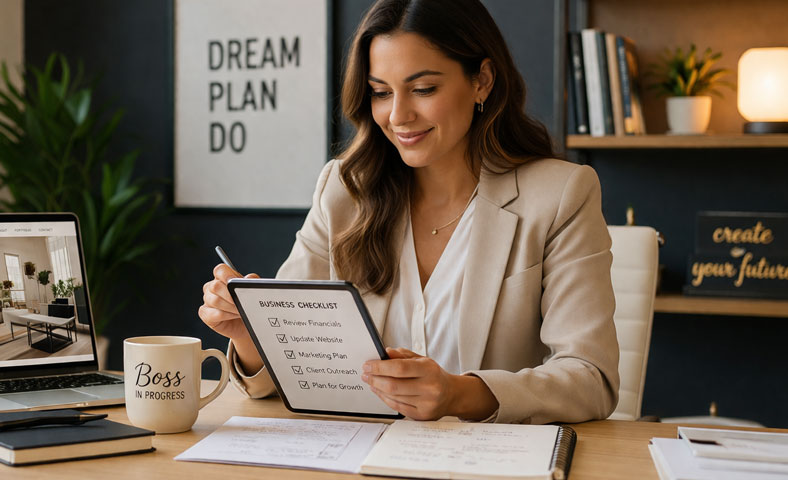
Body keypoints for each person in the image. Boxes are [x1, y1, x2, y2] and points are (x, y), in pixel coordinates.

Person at [198, 0, 619, 425]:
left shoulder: (561, 194)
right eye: (381, 92)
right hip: (357, 458)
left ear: (482, 81)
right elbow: (284, 365)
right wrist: (252, 336)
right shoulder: (344, 191)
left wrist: (460, 394)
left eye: (423, 89)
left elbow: (591, 379)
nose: (398, 116)